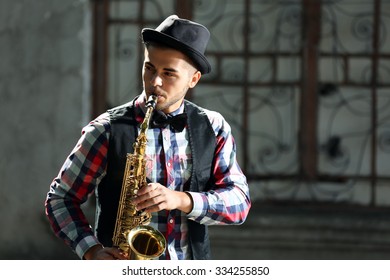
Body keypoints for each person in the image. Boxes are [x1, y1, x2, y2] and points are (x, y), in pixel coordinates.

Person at [45, 14, 251, 260]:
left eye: (169, 73)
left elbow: (239, 202)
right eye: (149, 68)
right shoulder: (106, 129)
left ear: (193, 79)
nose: (155, 82)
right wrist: (92, 251)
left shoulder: (214, 126)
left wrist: (182, 199)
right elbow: (60, 199)